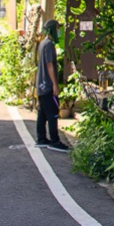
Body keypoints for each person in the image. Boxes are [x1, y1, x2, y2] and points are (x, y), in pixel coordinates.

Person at [35, 20, 69, 152]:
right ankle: (54, 140)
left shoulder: (43, 43)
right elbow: (49, 65)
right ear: (52, 30)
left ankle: (41, 138)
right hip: (48, 85)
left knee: (42, 113)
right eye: (57, 28)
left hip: (41, 85)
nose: (59, 31)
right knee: (53, 112)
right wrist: (55, 84)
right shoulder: (49, 45)